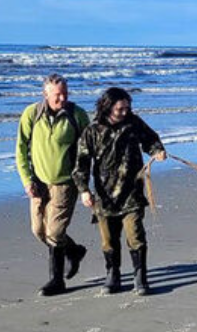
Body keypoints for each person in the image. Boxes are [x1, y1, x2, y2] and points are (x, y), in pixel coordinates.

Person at [74, 87, 167, 296]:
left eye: (128, 107)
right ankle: (113, 275)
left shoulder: (134, 124)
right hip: (104, 196)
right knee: (108, 240)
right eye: (120, 109)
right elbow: (81, 163)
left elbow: (151, 139)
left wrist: (157, 151)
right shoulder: (92, 131)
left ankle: (140, 278)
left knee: (135, 235)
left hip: (132, 192)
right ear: (108, 107)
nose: (125, 112)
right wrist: (84, 190)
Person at [15, 73, 91, 296]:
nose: (62, 98)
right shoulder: (32, 114)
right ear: (45, 94)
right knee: (39, 231)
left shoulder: (77, 115)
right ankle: (74, 251)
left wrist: (84, 183)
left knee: (55, 232)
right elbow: (20, 149)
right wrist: (27, 180)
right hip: (38, 184)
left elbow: (87, 151)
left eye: (65, 94)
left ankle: (56, 281)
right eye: (57, 95)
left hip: (65, 183)